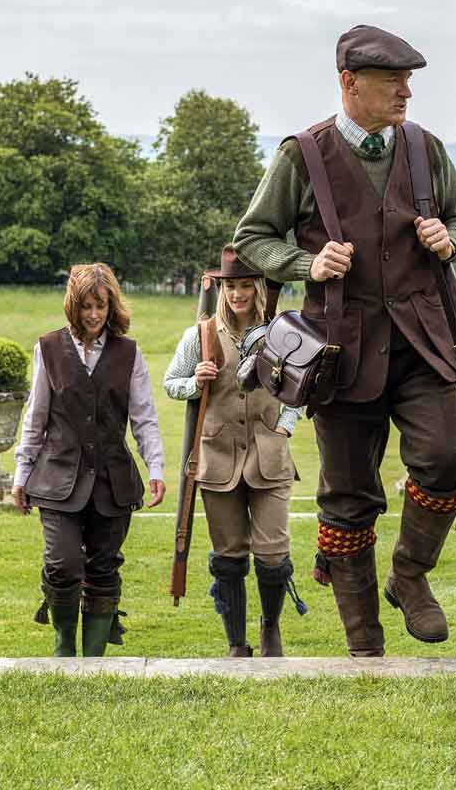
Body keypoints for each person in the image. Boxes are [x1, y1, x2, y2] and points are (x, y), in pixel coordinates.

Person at [233, 24, 456, 657]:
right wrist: (306, 265)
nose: (406, 91)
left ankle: (409, 575)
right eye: (393, 81)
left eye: (409, 81)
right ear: (350, 83)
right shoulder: (303, 154)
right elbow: (252, 239)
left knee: (447, 459)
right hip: (337, 355)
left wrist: (450, 240)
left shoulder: (426, 148)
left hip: (423, 344)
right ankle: (364, 648)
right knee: (347, 499)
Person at [10, 262, 167, 657]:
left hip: (113, 482)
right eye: (86, 307)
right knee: (62, 564)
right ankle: (65, 649)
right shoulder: (48, 348)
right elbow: (36, 416)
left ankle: (94, 660)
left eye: (101, 305)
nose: (94, 315)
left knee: (104, 567)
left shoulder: (129, 353)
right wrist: (21, 473)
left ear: (112, 306)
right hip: (56, 478)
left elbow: (144, 418)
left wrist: (157, 470)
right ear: (73, 307)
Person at [162, 247, 306, 657]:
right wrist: (195, 381)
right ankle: (236, 643)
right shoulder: (200, 335)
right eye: (231, 286)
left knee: (274, 554)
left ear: (258, 287)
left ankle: (271, 627)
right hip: (217, 460)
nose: (238, 294)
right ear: (221, 288)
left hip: (270, 457)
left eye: (245, 285)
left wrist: (287, 423)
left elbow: (300, 386)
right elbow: (171, 382)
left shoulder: (281, 333)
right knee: (228, 557)